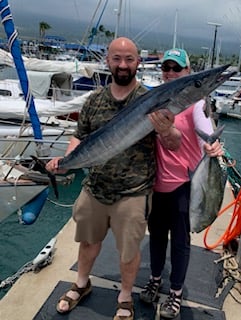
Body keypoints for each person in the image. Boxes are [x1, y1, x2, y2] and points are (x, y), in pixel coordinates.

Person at [46, 37, 181, 320]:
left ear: (138, 63)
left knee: (128, 251)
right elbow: (79, 136)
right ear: (108, 60)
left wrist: (167, 131)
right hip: (95, 187)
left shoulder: (152, 99)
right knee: (88, 242)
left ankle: (124, 297)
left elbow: (174, 143)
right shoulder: (95, 100)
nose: (122, 65)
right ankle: (81, 284)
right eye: (117, 58)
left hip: (133, 191)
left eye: (129, 59)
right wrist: (65, 162)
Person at [139, 48, 223, 319]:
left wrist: (212, 146)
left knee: (180, 242)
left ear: (187, 72)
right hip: (156, 184)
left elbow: (206, 134)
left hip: (182, 185)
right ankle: (154, 279)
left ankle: (175, 293)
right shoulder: (155, 100)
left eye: (177, 69)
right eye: (167, 68)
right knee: (156, 237)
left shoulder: (195, 104)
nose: (171, 73)